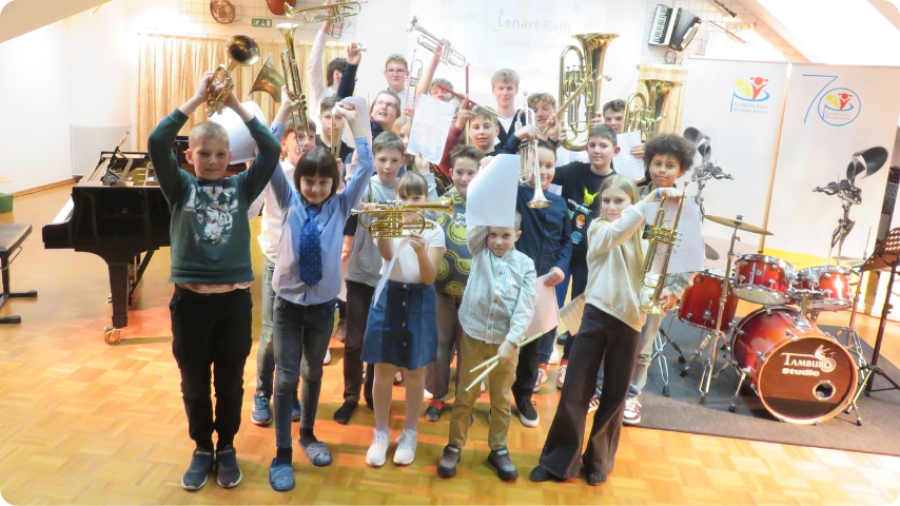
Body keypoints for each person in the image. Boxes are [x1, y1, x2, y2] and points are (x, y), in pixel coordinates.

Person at [147, 72, 281, 490]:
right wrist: (195, 99)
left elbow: (271, 149)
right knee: (193, 384)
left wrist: (237, 105)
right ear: (190, 155)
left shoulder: (241, 187)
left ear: (230, 157)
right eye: (204, 154)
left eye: (221, 154)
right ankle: (202, 447)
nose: (212, 161)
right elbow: (156, 141)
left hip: (233, 305)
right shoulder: (180, 186)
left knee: (229, 384)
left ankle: (226, 447)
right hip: (190, 304)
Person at [530, 175, 680, 486]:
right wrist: (647, 201)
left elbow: (657, 269)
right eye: (607, 201)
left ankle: (599, 460)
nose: (611, 206)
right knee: (575, 389)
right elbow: (616, 232)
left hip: (631, 320)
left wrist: (663, 292)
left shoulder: (648, 232)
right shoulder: (598, 228)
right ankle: (559, 461)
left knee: (615, 394)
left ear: (630, 202)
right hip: (596, 315)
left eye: (618, 201)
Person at [266, 101, 371, 491]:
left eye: (323, 182)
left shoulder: (342, 205)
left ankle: (307, 435)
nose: (315, 188)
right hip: (287, 307)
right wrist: (281, 115)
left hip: (323, 309)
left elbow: (366, 166)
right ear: (298, 181)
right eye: (308, 181)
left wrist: (356, 122)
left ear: (334, 183)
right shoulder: (288, 198)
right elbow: (267, 157)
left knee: (313, 373)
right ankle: (282, 452)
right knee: (285, 379)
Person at [591, 134, 696, 423]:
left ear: (681, 171)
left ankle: (632, 395)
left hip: (656, 287)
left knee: (643, 345)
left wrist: (674, 290)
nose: (662, 170)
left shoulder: (687, 208)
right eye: (657, 163)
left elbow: (690, 256)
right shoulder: (633, 194)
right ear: (648, 164)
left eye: (670, 165)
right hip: (621, 280)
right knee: (609, 338)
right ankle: (599, 389)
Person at [337, 132, 440, 425]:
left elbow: (432, 214)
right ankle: (349, 397)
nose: (387, 166)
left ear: (402, 161)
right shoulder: (366, 185)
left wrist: (426, 173)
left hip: (393, 278)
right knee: (354, 341)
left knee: (378, 345)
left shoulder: (406, 190)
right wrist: (353, 169)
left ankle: (373, 394)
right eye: (382, 159)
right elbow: (350, 204)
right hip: (362, 272)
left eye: (394, 160)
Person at [437, 213, 537, 481]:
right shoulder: (479, 252)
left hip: (506, 344)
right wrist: (490, 203)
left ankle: (498, 448)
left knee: (501, 400)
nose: (498, 241)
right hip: (474, 336)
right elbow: (475, 231)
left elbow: (526, 307)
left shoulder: (526, 265)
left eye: (505, 235)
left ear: (517, 236)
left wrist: (512, 340)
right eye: (493, 235)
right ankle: (454, 445)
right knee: (465, 395)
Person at [363, 171, 447, 467]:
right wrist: (382, 225)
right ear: (395, 198)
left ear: (426, 199)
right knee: (382, 372)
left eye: (416, 197)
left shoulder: (434, 230)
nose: (409, 203)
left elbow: (429, 277)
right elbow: (387, 254)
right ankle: (381, 432)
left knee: (415, 374)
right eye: (403, 197)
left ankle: (410, 432)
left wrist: (421, 250)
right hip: (389, 296)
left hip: (419, 301)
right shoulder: (387, 223)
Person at [250, 97, 318, 427]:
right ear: (284, 144)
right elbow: (251, 208)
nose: (305, 142)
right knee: (270, 335)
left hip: (308, 265)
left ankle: (289, 392)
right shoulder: (275, 171)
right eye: (298, 137)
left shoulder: (321, 174)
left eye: (310, 137)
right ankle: (262, 393)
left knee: (299, 336)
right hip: (277, 261)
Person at [507, 140, 571, 425]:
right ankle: (498, 398)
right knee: (506, 342)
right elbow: (501, 163)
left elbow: (567, 242)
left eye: (549, 165)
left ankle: (522, 397)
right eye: (537, 164)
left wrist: (561, 266)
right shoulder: (515, 193)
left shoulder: (560, 204)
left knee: (533, 348)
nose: (543, 171)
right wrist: (516, 140)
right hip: (513, 282)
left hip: (543, 286)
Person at [552, 124, 620, 388]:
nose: (596, 150)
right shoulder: (574, 170)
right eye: (592, 145)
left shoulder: (616, 184)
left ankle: (568, 361)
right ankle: (543, 360)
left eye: (603, 146)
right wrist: (552, 142)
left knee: (578, 312)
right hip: (563, 252)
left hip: (592, 258)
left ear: (615, 150)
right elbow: (546, 171)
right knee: (551, 306)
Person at [424, 145, 482, 421]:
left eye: (471, 173)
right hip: (441, 290)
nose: (464, 178)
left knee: (468, 352)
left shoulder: (487, 203)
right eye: (459, 172)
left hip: (474, 294)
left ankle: (464, 402)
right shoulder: (441, 201)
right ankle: (437, 396)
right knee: (439, 346)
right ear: (451, 172)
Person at [491, 68, 525, 147]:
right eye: (501, 88)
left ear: (516, 90)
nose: (505, 93)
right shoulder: (488, 121)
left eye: (509, 88)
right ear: (493, 90)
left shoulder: (525, 118)